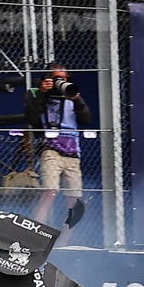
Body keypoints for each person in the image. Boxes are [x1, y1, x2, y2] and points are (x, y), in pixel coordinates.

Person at [24, 63, 93, 231]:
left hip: (73, 153)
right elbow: (32, 118)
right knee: (49, 193)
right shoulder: (36, 94)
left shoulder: (71, 97)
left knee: (74, 201)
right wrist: (42, 92)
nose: (60, 82)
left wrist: (76, 97)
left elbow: (86, 119)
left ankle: (64, 242)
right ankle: (36, 235)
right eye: (56, 79)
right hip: (51, 150)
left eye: (63, 79)